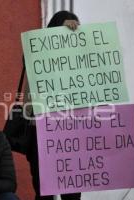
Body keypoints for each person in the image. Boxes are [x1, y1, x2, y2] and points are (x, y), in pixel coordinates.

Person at [24, 11, 81, 200]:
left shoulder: (80, 61)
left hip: (72, 133)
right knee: (44, 191)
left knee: (72, 192)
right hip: (41, 131)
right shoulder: (37, 55)